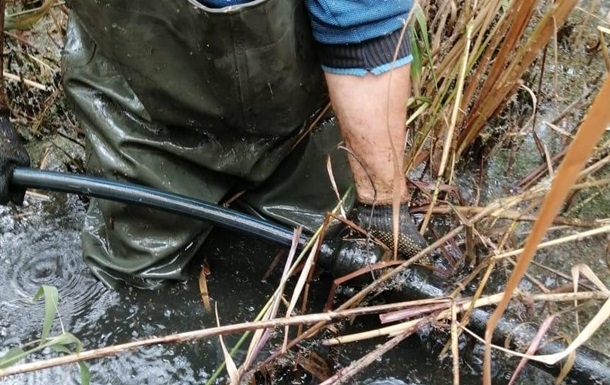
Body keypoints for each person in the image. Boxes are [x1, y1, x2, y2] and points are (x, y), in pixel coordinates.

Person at [0, 0, 427, 288]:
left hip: (292, 125)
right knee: (134, 286)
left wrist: (381, 207)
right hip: (140, 114)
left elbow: (364, 23)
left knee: (325, 269)